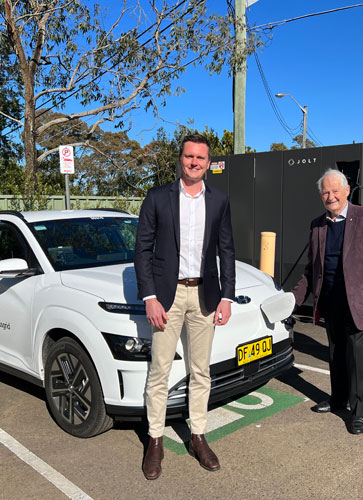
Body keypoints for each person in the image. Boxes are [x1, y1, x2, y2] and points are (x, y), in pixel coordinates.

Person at [134, 134, 235, 479]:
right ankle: (155, 441)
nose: (194, 162)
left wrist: (227, 295)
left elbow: (227, 250)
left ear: (209, 163)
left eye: (201, 158)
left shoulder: (219, 201)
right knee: (160, 370)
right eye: (189, 156)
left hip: (205, 296)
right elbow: (142, 250)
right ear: (180, 159)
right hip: (167, 296)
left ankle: (198, 436)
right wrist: (149, 297)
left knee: (201, 371)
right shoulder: (158, 198)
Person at [292, 168, 363, 435]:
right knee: (336, 354)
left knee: (360, 359)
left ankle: (360, 412)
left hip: (360, 303)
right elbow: (311, 269)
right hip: (330, 300)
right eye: (326, 191)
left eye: (336, 190)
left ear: (347, 191)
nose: (331, 196)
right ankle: (338, 400)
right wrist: (294, 299)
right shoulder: (318, 225)